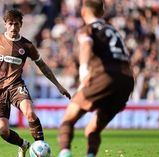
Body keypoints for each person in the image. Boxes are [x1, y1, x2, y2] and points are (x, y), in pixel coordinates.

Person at [0, 9, 71, 157]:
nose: (13, 27)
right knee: (3, 131)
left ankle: (40, 147)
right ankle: (23, 145)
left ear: (21, 25)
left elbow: (42, 66)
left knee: (30, 113)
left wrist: (58, 86)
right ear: (5, 24)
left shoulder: (27, 45)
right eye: (10, 24)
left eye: (16, 24)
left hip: (16, 86)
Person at [57, 0, 134, 157]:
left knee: (68, 119)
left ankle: (65, 152)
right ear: (102, 12)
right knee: (92, 129)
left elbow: (86, 47)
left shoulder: (88, 29)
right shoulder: (114, 31)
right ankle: (91, 154)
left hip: (104, 76)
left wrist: (84, 70)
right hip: (126, 81)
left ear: (84, 12)